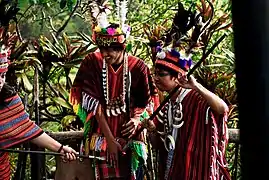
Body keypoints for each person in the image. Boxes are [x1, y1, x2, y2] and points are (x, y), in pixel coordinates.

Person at [69, 2, 158, 180]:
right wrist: (109, 139)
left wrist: (135, 119)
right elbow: (92, 103)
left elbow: (145, 101)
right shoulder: (92, 62)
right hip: (101, 134)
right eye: (102, 49)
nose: (105, 54)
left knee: (131, 173)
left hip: (131, 135)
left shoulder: (138, 66)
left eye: (110, 50)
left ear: (122, 48)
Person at [143, 47, 231, 180]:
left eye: (161, 74)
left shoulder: (197, 98)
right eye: (154, 73)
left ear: (178, 76)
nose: (155, 78)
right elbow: (158, 145)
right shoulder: (167, 106)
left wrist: (196, 86)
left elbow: (222, 109)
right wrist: (152, 131)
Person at [0, 46, 78, 180]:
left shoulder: (10, 100)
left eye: (2, 75)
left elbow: (28, 129)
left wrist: (60, 149)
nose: (0, 81)